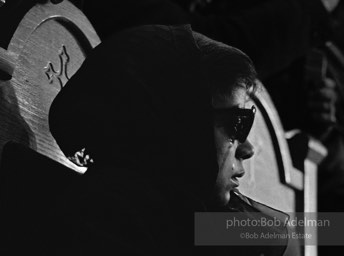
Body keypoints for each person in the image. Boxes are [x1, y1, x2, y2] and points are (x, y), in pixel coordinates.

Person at [47, 25, 289, 255]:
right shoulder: (106, 222)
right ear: (175, 124)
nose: (247, 148)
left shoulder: (194, 225)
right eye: (237, 122)